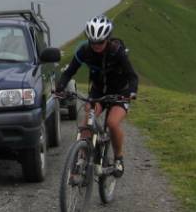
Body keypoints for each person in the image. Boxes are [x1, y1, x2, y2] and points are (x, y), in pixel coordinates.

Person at [55, 15, 138, 178]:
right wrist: (60, 87)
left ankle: (118, 159)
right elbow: (69, 72)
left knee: (112, 123)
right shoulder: (84, 51)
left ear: (107, 39)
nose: (96, 46)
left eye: (100, 42)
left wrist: (131, 93)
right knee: (87, 123)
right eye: (93, 42)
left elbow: (132, 76)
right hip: (98, 92)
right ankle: (79, 161)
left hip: (119, 92)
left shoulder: (117, 52)